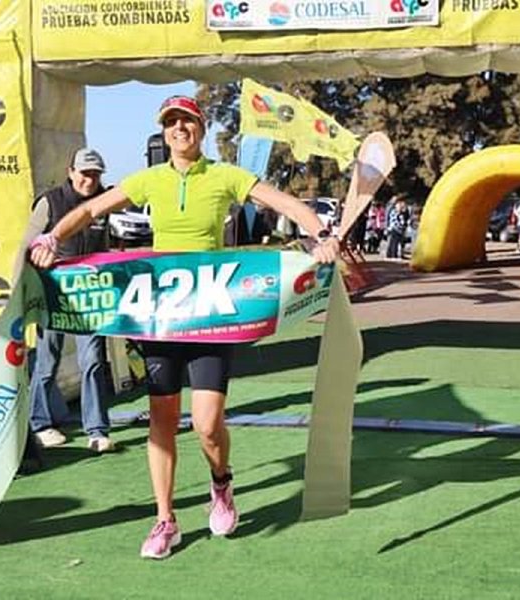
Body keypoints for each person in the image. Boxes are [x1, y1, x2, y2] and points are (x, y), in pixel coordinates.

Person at [28, 95, 339, 560]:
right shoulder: (150, 179)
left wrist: (322, 235)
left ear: (201, 127)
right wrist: (53, 237)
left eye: (187, 121)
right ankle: (165, 520)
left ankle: (221, 485)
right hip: (162, 318)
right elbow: (91, 211)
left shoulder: (225, 175)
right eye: (171, 122)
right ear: (163, 131)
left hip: (212, 316)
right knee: (163, 420)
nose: (179, 128)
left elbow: (284, 202)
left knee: (209, 424)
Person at [27, 148, 115, 453]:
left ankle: (97, 429)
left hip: (91, 295)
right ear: (71, 171)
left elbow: (105, 246)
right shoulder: (49, 201)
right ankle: (39, 424)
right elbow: (28, 244)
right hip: (53, 294)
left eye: (96, 174)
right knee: (46, 361)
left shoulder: (105, 201)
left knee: (93, 361)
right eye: (85, 173)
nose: (90, 180)